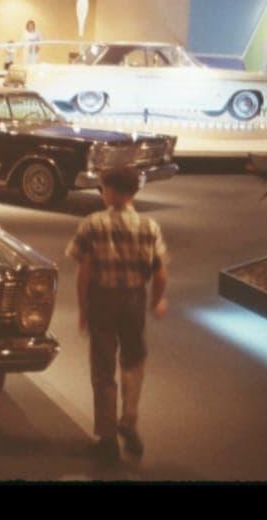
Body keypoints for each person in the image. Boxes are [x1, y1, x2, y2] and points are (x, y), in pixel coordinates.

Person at [65, 166, 169, 463]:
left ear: (111, 191)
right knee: (134, 361)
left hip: (102, 300)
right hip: (135, 299)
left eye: (103, 188)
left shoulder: (92, 224)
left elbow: (84, 272)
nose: (102, 193)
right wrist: (156, 302)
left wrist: (83, 309)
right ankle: (129, 421)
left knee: (102, 365)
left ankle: (107, 435)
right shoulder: (149, 227)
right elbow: (161, 274)